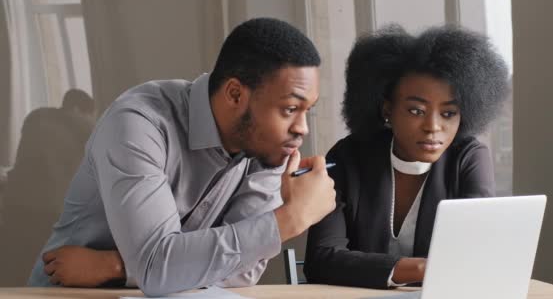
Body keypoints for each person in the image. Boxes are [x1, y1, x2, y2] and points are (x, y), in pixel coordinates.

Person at [27, 18, 336, 296]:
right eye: (290, 109)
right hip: (65, 294)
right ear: (235, 94)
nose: (303, 129)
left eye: (308, 110)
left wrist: (118, 265)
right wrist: (291, 218)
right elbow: (157, 269)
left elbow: (244, 271)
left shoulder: (265, 145)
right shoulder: (138, 123)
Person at [304, 25, 510, 289]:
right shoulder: (347, 157)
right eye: (416, 110)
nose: (433, 127)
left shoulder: (467, 157)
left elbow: (474, 256)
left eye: (448, 113)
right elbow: (320, 260)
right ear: (387, 108)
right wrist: (420, 268)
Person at [0, 89, 96, 286]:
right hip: (49, 210)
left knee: (14, 262)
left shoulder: (35, 118)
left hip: (16, 203)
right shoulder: (84, 127)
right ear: (78, 109)